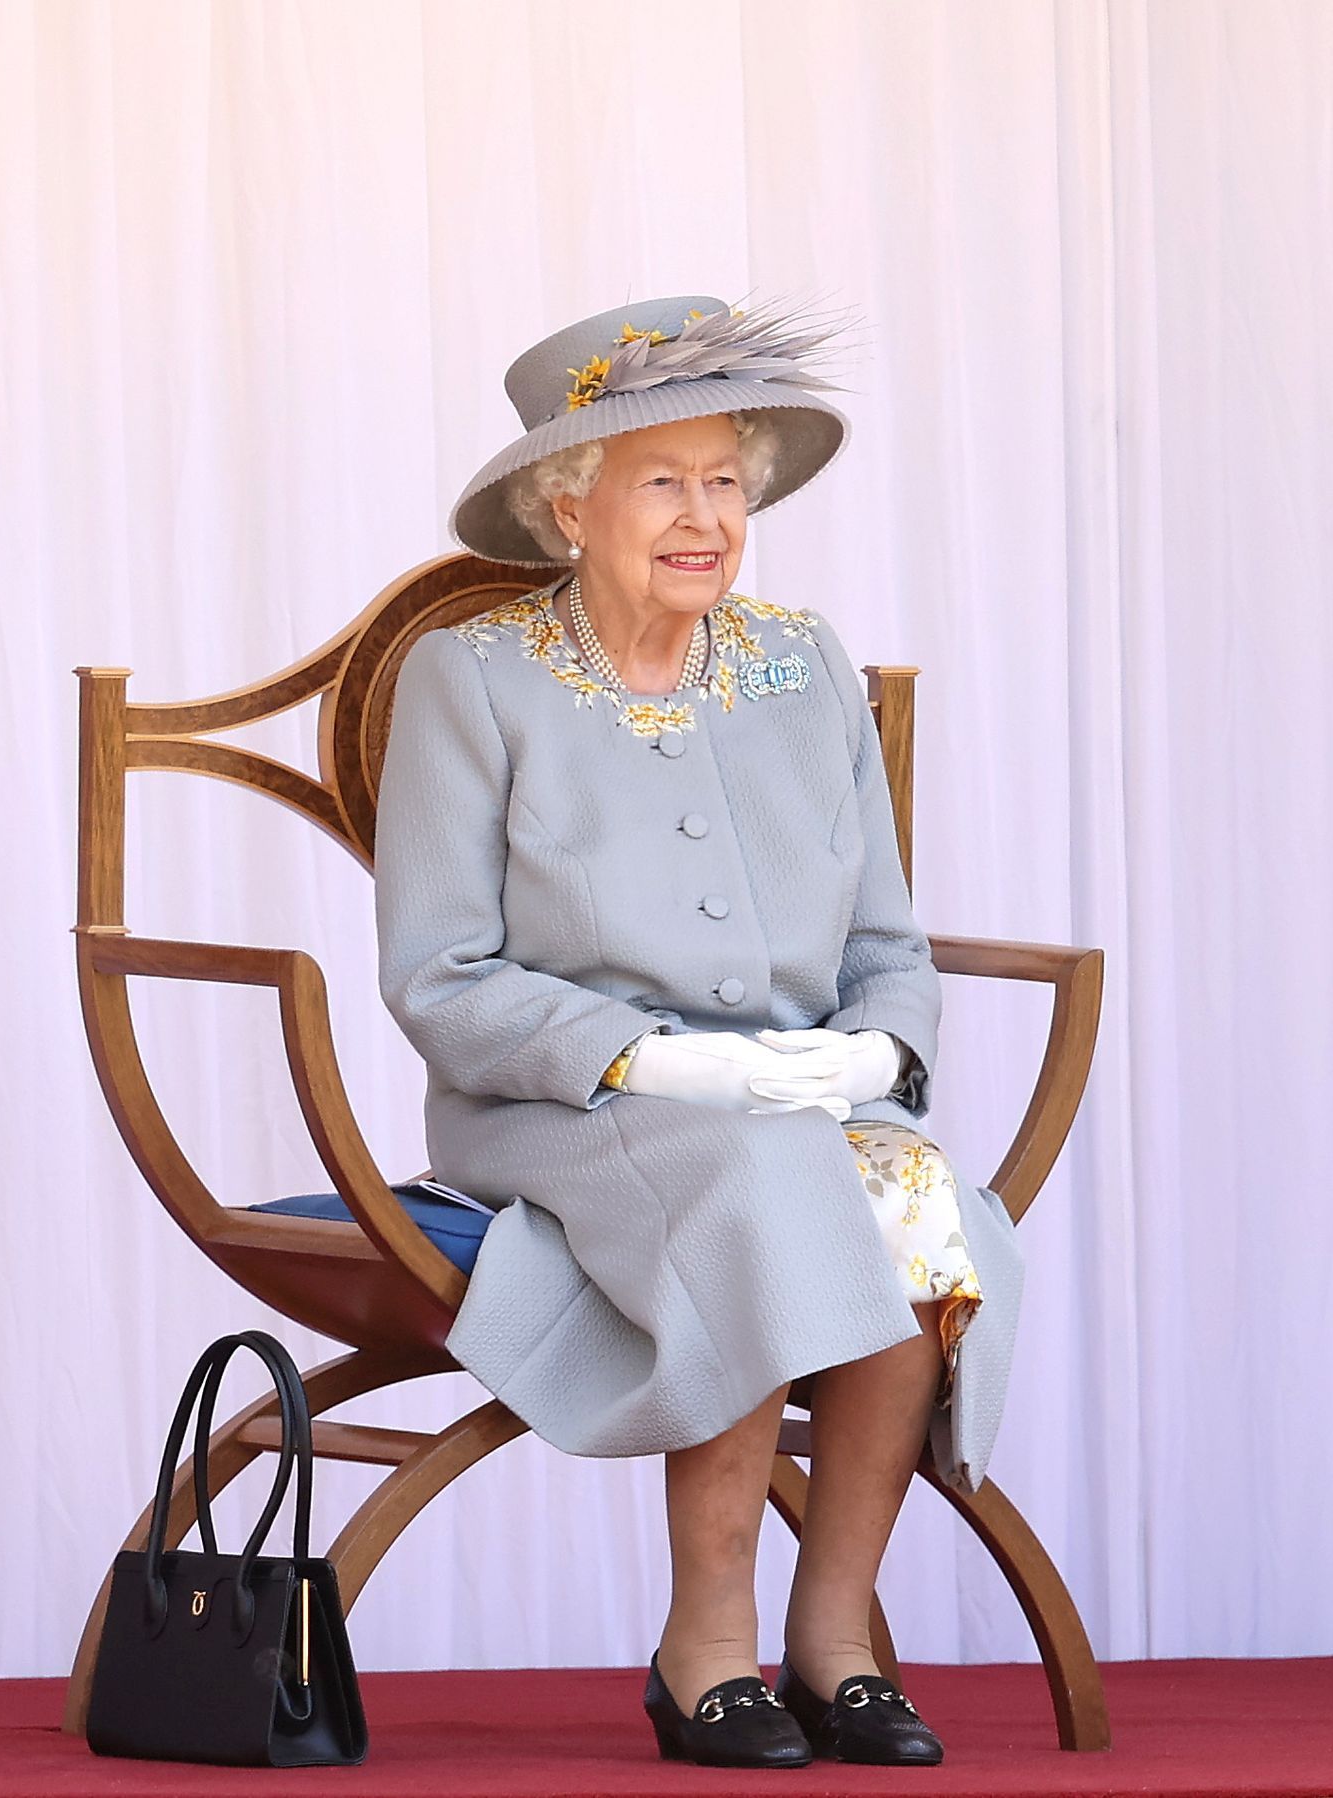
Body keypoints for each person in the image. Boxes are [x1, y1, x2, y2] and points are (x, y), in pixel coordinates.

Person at [374, 293, 1023, 1769]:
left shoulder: (803, 665)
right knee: (768, 1189)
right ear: (566, 501)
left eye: (725, 479)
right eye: (661, 479)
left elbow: (887, 943)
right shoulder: (469, 680)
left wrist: (874, 1055)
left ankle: (835, 1636)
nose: (704, 515)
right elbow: (441, 974)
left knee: (918, 1200)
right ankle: (704, 1645)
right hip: (565, 1111)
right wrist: (655, 1060)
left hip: (799, 1096)